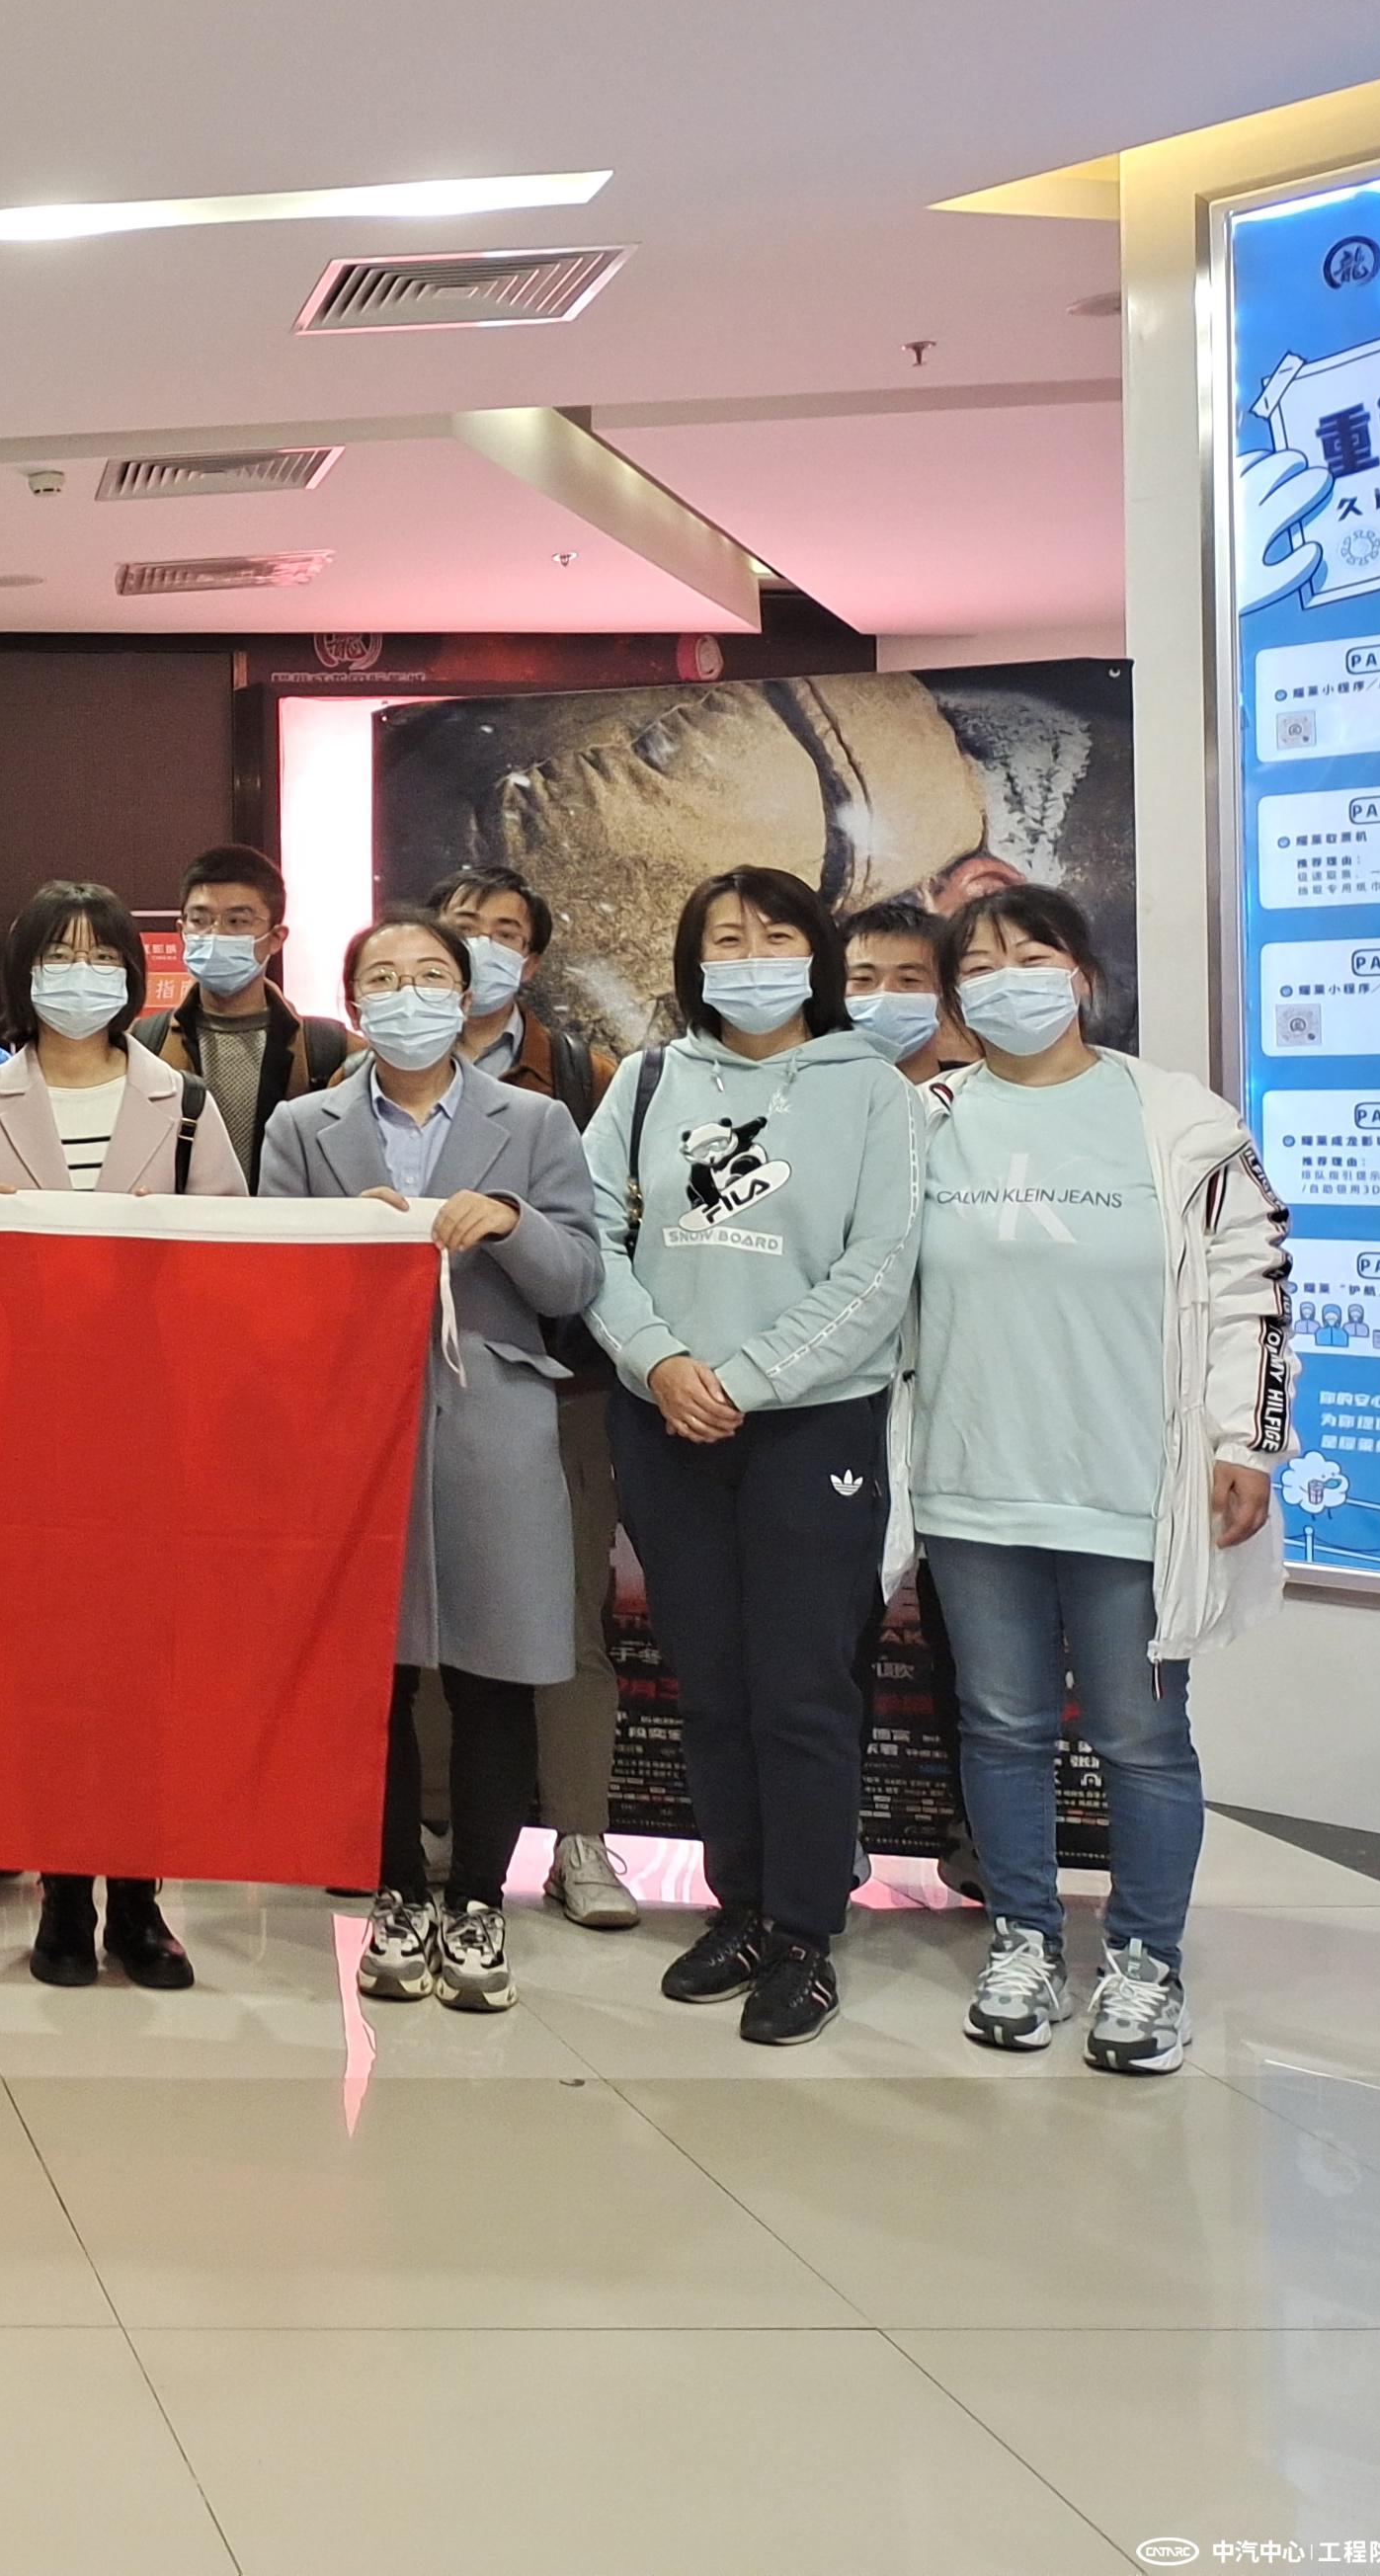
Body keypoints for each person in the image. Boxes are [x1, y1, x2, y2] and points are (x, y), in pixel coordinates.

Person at [906, 887, 1286, 2075]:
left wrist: (1243, 1440)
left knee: (1141, 1737)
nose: (1006, 979)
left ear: (1079, 973)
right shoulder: (922, 1119)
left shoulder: (1177, 1118)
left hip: (1136, 1489)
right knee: (1001, 1727)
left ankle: (1144, 1961)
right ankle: (1022, 1938)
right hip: (973, 1481)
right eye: (979, 964)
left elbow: (1252, 1284)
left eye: (1030, 954)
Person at [587, 864, 922, 2049]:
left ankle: (803, 1933)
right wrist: (661, 1363)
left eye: (774, 935)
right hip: (665, 1417)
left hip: (809, 1426)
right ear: (692, 963)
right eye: (723, 940)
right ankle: (735, 1907)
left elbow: (881, 1267)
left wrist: (747, 1378)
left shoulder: (872, 1089)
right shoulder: (646, 1080)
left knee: (801, 1687)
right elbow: (592, 1238)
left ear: (816, 954)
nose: (749, 958)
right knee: (712, 1684)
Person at [264, 912, 604, 2015]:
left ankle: (478, 1902)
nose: (406, 995)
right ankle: (397, 1892)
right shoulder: (302, 1126)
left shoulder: (536, 1120)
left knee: (495, 1667)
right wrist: (339, 1245)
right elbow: (267, 1294)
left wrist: (509, 1220)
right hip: (352, 1426)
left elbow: (577, 1280)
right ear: (354, 1004)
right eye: (383, 978)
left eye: (428, 977)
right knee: (373, 1673)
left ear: (464, 999)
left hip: (493, 1420)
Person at [0, 880, 241, 1986]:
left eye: (100, 956)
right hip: (19, 1433)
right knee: (44, 1665)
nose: (80, 976)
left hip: (150, 1434)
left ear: (131, 976)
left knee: (143, 1667)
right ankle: (61, 1891)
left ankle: (137, 1899)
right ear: (23, 974)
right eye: (57, 956)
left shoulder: (185, 1105)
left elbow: (239, 1280)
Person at [424, 862, 640, 1936]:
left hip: (557, 1390)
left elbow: (598, 1245)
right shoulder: (355, 1077)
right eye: (461, 925)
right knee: (425, 1620)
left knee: (561, 1618)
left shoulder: (583, 1077)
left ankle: (580, 1837)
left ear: (532, 958)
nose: (479, 946)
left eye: (504, 932)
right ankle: (436, 1829)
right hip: (415, 1391)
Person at [839, 892, 989, 1902]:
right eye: (862, 980)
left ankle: (985, 1838)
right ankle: (827, 1832)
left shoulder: (985, 1110)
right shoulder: (811, 1106)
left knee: (977, 1638)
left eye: (909, 981)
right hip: (841, 1404)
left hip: (971, 1402)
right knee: (832, 1632)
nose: (884, 999)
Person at [133, 845, 353, 1183]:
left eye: (237, 921)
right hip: (177, 1216)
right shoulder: (142, 1043)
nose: (216, 933)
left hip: (287, 1215)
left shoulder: (331, 1049)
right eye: (200, 920)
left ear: (276, 938)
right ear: (181, 931)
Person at [843, 898, 978, 1083]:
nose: (885, 993)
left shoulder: (974, 1090)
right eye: (863, 979)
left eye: (909, 980)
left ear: (946, 993)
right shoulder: (813, 1091)